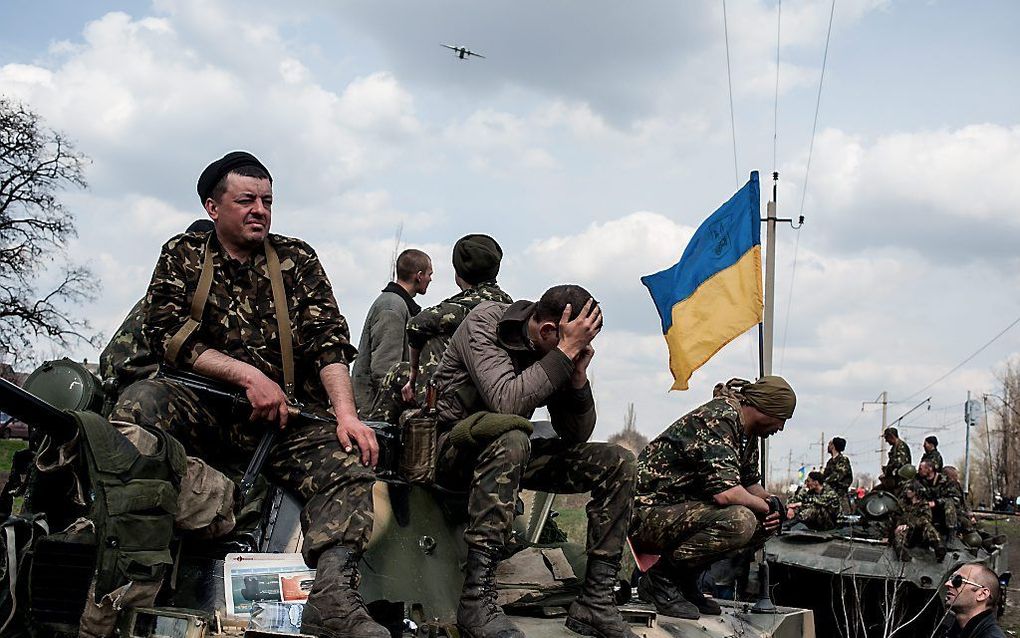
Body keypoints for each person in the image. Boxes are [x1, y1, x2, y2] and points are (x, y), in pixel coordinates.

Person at [110, 151, 386, 638]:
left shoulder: (297, 260)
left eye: (267, 201)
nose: (260, 210)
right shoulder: (184, 254)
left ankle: (334, 597)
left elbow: (328, 342)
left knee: (351, 460)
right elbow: (167, 333)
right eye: (246, 200)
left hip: (281, 423)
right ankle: (138, 568)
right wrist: (246, 376)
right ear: (213, 207)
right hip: (202, 406)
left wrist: (346, 415)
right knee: (139, 407)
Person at [430, 285, 638, 638]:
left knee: (618, 461)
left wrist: (576, 380)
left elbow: (575, 435)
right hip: (452, 447)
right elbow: (507, 403)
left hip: (512, 454)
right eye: (575, 340)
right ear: (547, 331)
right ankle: (477, 599)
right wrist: (563, 352)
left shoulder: (553, 350)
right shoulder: (486, 322)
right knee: (512, 438)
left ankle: (596, 602)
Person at [631, 376, 796, 620]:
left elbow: (749, 483)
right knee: (740, 520)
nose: (780, 427)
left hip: (681, 514)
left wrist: (773, 506)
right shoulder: (720, 417)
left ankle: (686, 582)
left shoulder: (746, 432)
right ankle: (660, 580)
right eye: (781, 418)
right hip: (647, 512)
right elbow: (726, 493)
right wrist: (764, 506)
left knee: (764, 523)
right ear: (765, 408)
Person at [364, 234, 511, 423]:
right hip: (495, 396)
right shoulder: (508, 305)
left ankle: (377, 437)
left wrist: (414, 375)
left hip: (455, 401)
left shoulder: (460, 307)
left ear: (459, 273)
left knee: (398, 371)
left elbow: (416, 325)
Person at [99, 219, 215, 401]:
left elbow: (107, 360)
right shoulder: (191, 303)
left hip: (120, 391)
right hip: (150, 396)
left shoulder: (155, 297)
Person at [351, 248, 432, 415]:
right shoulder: (392, 307)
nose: (431, 279)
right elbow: (384, 370)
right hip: (375, 415)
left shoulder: (399, 305)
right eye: (429, 274)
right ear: (419, 275)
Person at [942, 563, 1005, 638]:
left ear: (982, 594)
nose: (948, 584)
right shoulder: (954, 629)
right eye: (950, 578)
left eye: (958, 580)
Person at [891, 480, 946, 562]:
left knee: (925, 522)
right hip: (907, 533)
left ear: (915, 491)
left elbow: (927, 518)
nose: (907, 491)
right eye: (906, 489)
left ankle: (938, 546)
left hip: (919, 533)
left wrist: (911, 524)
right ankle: (903, 554)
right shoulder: (902, 503)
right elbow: (896, 516)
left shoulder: (923, 504)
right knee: (899, 534)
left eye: (910, 489)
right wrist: (900, 525)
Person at [822, 436, 853, 509]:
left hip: (840, 497)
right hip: (830, 495)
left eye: (829, 444)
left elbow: (837, 476)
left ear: (833, 446)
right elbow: (824, 476)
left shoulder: (843, 460)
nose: (828, 446)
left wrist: (823, 482)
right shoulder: (830, 462)